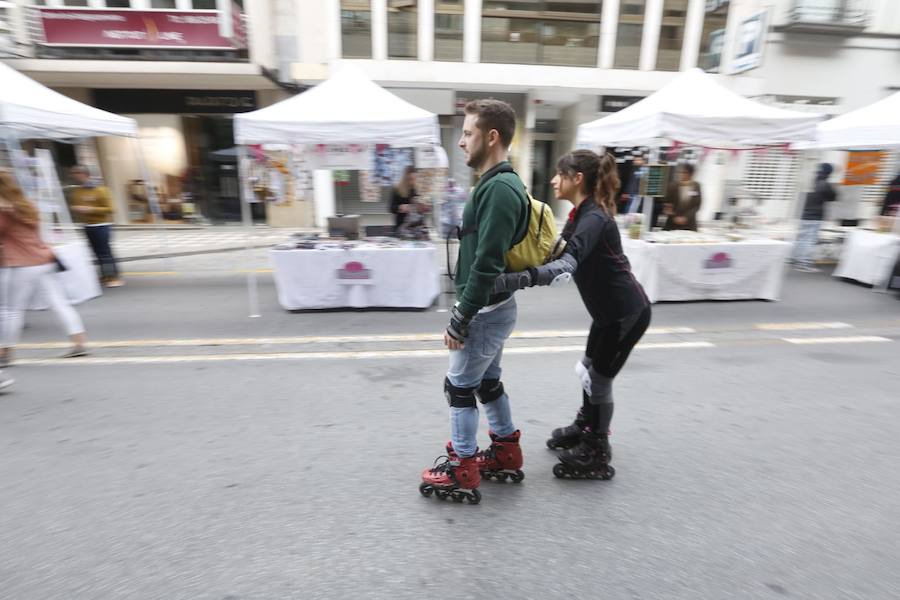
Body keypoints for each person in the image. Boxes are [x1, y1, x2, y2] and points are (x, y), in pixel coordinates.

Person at [492, 150, 651, 480]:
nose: (553, 180)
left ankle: (597, 448)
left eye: (559, 174)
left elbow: (568, 261)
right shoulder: (581, 213)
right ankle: (586, 423)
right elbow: (555, 249)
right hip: (607, 313)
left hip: (626, 313)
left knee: (600, 379)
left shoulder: (596, 218)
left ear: (576, 179)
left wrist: (519, 279)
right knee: (588, 370)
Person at [419, 99, 529, 504]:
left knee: (459, 388)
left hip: (484, 311)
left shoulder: (500, 188)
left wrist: (460, 318)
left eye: (468, 133)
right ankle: (505, 451)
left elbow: (487, 262)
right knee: (487, 382)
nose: (462, 142)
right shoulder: (496, 183)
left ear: (492, 136)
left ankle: (463, 468)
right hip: (494, 308)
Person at [0, 171, 88, 366]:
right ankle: (79, 343)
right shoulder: (27, 205)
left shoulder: (6, 211)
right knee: (59, 302)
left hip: (23, 264)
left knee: (11, 310)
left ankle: (5, 353)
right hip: (44, 259)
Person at [68, 165, 123, 288]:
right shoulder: (77, 191)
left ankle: (113, 277)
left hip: (101, 225)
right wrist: (75, 208)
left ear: (84, 174)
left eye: (76, 173)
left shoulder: (101, 190)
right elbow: (74, 205)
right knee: (96, 252)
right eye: (73, 174)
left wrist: (90, 209)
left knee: (105, 252)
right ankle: (105, 275)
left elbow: (111, 209)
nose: (74, 176)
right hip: (87, 226)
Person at [792, 163, 837, 273]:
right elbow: (833, 196)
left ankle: (797, 261)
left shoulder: (813, 181)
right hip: (815, 216)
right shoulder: (824, 184)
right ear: (829, 173)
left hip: (805, 214)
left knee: (802, 239)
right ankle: (805, 264)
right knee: (809, 241)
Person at [663, 163, 702, 231]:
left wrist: (686, 218)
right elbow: (667, 203)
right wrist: (673, 216)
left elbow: (697, 205)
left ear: (691, 174)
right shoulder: (673, 185)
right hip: (672, 224)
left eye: (684, 172)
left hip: (689, 225)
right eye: (679, 172)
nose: (681, 174)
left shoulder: (696, 186)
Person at [389, 166, 418, 231]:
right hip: (401, 226)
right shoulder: (397, 189)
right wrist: (401, 207)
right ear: (405, 178)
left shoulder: (418, 189)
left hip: (416, 227)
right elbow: (391, 208)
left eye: (415, 179)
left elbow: (422, 209)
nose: (412, 182)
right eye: (410, 179)